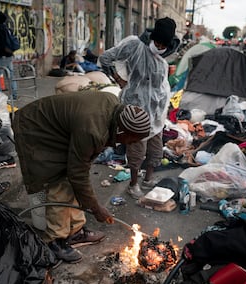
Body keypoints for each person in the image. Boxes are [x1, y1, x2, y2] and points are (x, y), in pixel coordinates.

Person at [12, 91, 151, 263]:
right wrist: (96, 208)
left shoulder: (113, 107)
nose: (128, 145)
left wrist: (90, 202)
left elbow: (80, 170)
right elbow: (77, 173)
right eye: (130, 140)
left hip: (59, 129)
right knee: (58, 180)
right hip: (35, 128)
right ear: (121, 130)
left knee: (74, 180)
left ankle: (75, 231)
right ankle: (55, 241)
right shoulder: (92, 130)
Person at [99, 17, 180, 199]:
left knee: (156, 148)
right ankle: (133, 184)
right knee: (137, 148)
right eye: (157, 43)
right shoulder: (135, 46)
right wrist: (119, 80)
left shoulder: (164, 58)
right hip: (137, 107)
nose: (159, 47)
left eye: (162, 45)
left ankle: (148, 179)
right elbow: (105, 58)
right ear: (152, 38)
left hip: (157, 110)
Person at [0, 10, 18, 100]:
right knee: (10, 74)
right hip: (9, 55)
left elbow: (0, 44)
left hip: (2, 56)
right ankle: (14, 94)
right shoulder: (5, 27)